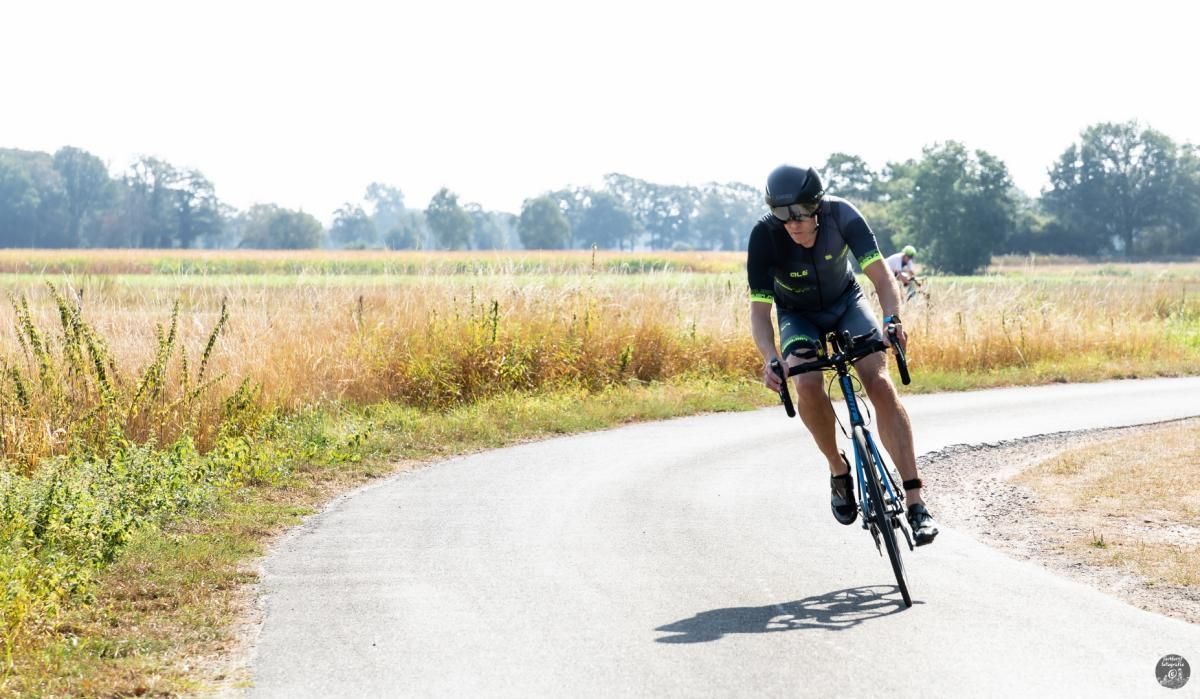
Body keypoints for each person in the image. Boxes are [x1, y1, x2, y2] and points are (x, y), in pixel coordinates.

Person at [747, 164, 937, 544]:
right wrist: (771, 357)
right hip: (796, 315)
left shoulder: (843, 216)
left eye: (800, 212)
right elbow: (759, 312)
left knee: (879, 383)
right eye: (782, 213)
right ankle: (838, 469)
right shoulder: (765, 236)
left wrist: (892, 320)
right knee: (806, 383)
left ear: (816, 205)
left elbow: (881, 277)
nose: (792, 223)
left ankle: (916, 502)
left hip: (846, 302)